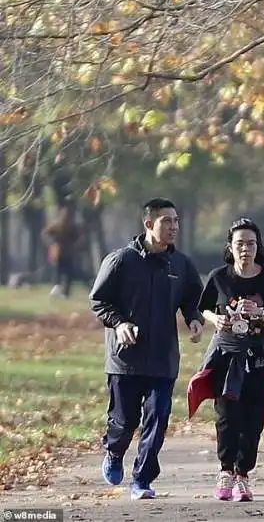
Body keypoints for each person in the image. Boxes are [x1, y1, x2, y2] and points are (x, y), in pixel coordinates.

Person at [89, 198, 204, 499]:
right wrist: (119, 323)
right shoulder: (121, 260)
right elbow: (99, 301)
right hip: (124, 359)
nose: (174, 227)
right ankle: (114, 452)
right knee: (125, 422)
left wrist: (193, 318)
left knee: (158, 419)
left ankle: (142, 480)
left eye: (176, 221)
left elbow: (193, 297)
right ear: (149, 224)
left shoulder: (180, 264)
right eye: (167, 221)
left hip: (163, 358)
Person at [187, 218, 264, 502]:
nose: (245, 249)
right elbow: (204, 308)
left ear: (258, 247)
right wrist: (216, 319)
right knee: (227, 417)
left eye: (251, 243)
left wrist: (258, 312)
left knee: (253, 419)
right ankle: (225, 471)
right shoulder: (219, 276)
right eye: (239, 244)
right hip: (226, 354)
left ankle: (243, 475)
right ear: (230, 248)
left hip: (257, 356)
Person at [42, 204, 83, 298]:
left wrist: (76, 245)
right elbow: (45, 234)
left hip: (69, 253)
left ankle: (66, 293)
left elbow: (78, 238)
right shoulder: (56, 226)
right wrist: (52, 242)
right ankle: (57, 290)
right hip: (58, 253)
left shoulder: (73, 227)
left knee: (69, 274)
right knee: (57, 272)